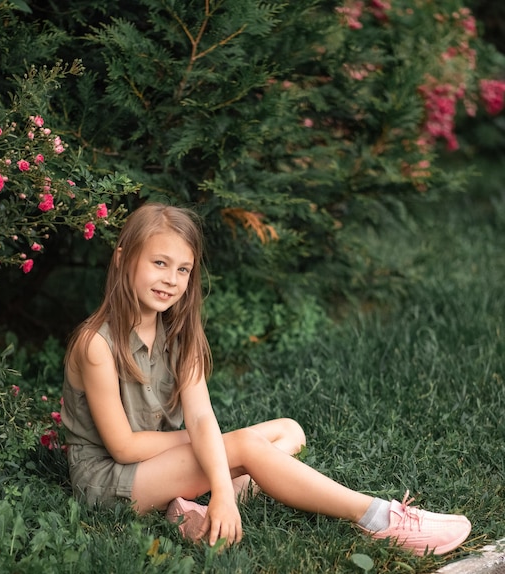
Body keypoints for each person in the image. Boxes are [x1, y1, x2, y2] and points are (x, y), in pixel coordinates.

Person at [60, 202, 471, 556]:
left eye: (183, 269)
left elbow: (201, 418)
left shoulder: (179, 334)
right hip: (109, 482)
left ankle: (190, 508)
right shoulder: (96, 344)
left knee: (289, 432)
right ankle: (379, 517)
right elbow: (125, 447)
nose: (171, 279)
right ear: (121, 259)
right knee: (243, 446)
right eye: (159, 263)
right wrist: (219, 455)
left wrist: (216, 460)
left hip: (156, 464)